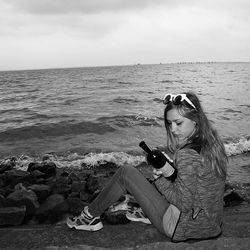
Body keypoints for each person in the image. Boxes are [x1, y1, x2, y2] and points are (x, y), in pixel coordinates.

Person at [66, 92, 228, 242]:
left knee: (125, 173)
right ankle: (147, 209)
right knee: (165, 172)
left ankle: (89, 217)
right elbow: (193, 184)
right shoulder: (212, 142)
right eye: (169, 123)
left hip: (184, 227)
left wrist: (159, 178)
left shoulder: (187, 154)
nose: (172, 129)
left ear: (196, 120)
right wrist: (169, 170)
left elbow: (183, 204)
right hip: (211, 224)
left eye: (178, 123)